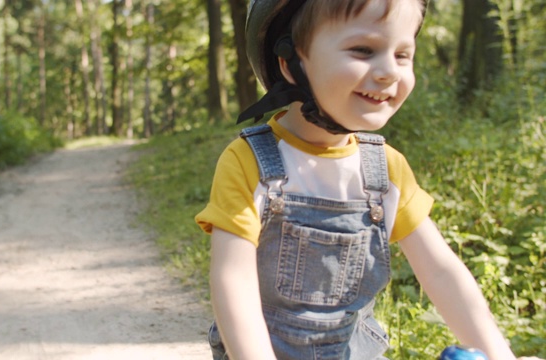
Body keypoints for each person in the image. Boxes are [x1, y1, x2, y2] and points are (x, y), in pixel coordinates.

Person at [195, 0, 541, 359]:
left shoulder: (385, 170)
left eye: (403, 55)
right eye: (363, 50)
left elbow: (441, 273)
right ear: (290, 63)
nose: (389, 71)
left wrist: (500, 354)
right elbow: (233, 282)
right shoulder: (249, 163)